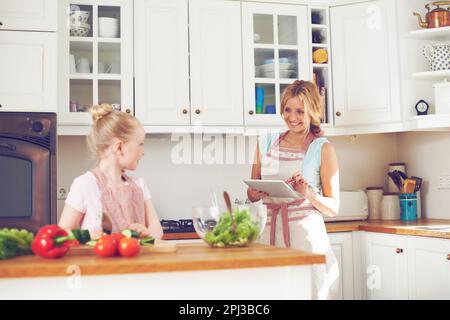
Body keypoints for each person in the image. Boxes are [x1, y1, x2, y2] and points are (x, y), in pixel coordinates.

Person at [247, 80, 340, 300]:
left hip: (305, 239)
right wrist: (252, 195)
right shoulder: (266, 141)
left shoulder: (322, 148)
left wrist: (309, 193)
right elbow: (252, 189)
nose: (292, 117)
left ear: (312, 112)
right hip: (267, 235)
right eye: (288, 110)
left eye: (300, 111)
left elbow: (333, 208)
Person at [59, 104, 163, 240]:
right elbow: (63, 232)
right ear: (119, 147)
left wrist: (147, 233)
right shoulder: (85, 184)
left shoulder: (139, 185)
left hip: (137, 261)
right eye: (140, 144)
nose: (143, 151)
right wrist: (88, 236)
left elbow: (157, 229)